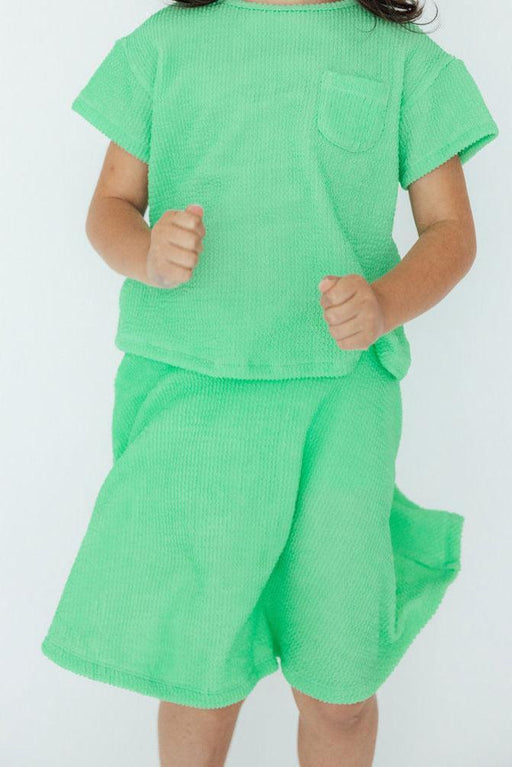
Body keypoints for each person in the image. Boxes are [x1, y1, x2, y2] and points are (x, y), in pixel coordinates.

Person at [40, 0, 499, 764]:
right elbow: (109, 208)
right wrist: (145, 251)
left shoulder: (402, 59)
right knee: (198, 676)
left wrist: (385, 302)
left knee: (340, 688)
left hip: (339, 404)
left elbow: (452, 232)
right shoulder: (166, 45)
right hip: (191, 401)